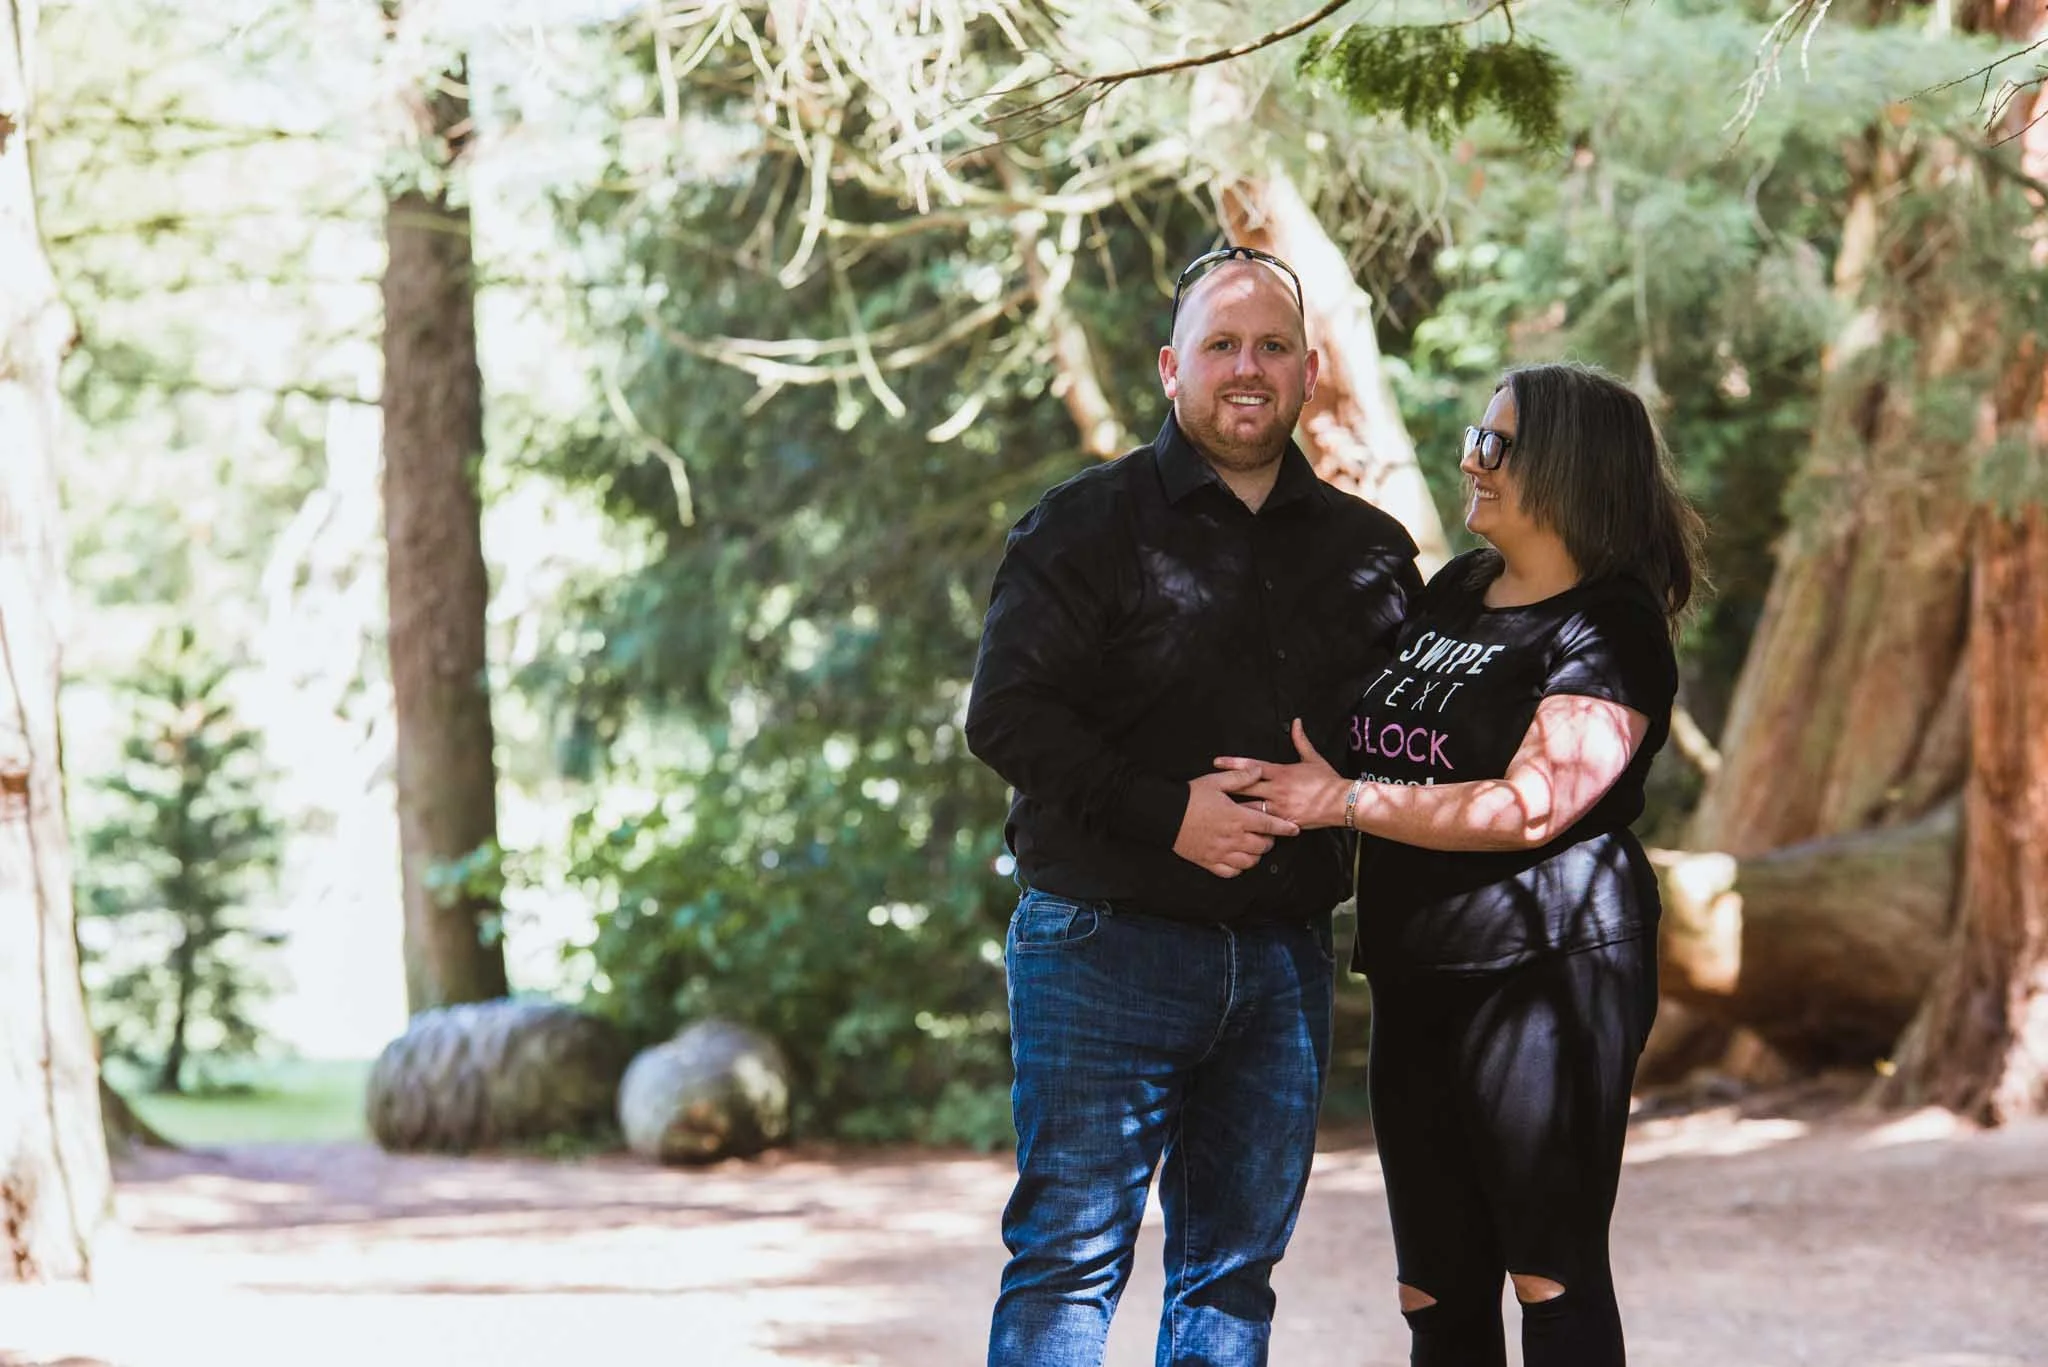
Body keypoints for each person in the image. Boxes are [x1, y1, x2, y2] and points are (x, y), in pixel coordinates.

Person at [963, 245, 1422, 1367]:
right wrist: (1168, 812)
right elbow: (1005, 716)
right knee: (1069, 1259)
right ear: (1172, 368)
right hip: (1101, 943)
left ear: (1310, 371)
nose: (1246, 368)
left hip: (1279, 960)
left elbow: (1412, 745)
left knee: (1231, 1274)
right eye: (1220, 345)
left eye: (1270, 346)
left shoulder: (1369, 552)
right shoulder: (1081, 525)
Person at [1217, 361, 1705, 1367]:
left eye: (1495, 443)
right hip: (1414, 967)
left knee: (1548, 1269)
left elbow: (1531, 804)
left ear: (1568, 466)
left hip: (1547, 972)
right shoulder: (1455, 590)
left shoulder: (1609, 625)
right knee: (1430, 1286)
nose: (1467, 458)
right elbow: (1392, 741)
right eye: (1472, 436)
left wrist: (1342, 802)